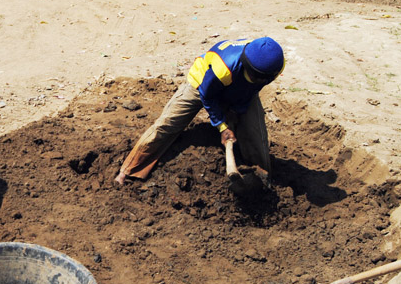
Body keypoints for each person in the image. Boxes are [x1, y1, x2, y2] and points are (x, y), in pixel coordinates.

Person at [114, 37, 284, 186]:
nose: (261, 80)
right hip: (201, 83)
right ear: (247, 65)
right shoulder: (224, 67)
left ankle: (261, 180)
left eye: (264, 78)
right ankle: (128, 171)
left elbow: (252, 90)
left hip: (238, 88)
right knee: (167, 124)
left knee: (256, 134)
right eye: (257, 76)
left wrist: (235, 111)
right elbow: (207, 95)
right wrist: (222, 127)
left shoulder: (273, 68)